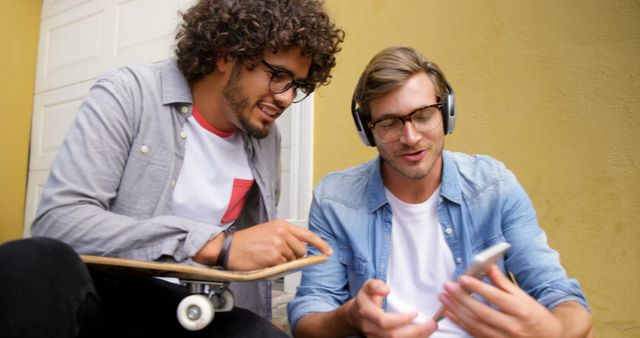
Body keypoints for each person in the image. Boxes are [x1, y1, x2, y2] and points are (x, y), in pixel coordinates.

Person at [0, 0, 344, 337]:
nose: (286, 97)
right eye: (278, 75)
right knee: (30, 261)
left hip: (198, 304)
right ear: (227, 53)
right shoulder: (129, 93)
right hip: (107, 294)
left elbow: (247, 257)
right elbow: (60, 221)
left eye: (297, 85)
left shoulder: (266, 138)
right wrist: (216, 245)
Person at [288, 46, 593, 338]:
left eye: (423, 115)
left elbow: (560, 294)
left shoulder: (494, 187)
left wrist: (554, 331)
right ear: (368, 131)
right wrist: (351, 316)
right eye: (389, 123)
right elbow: (309, 317)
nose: (410, 137)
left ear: (446, 114)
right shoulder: (335, 199)